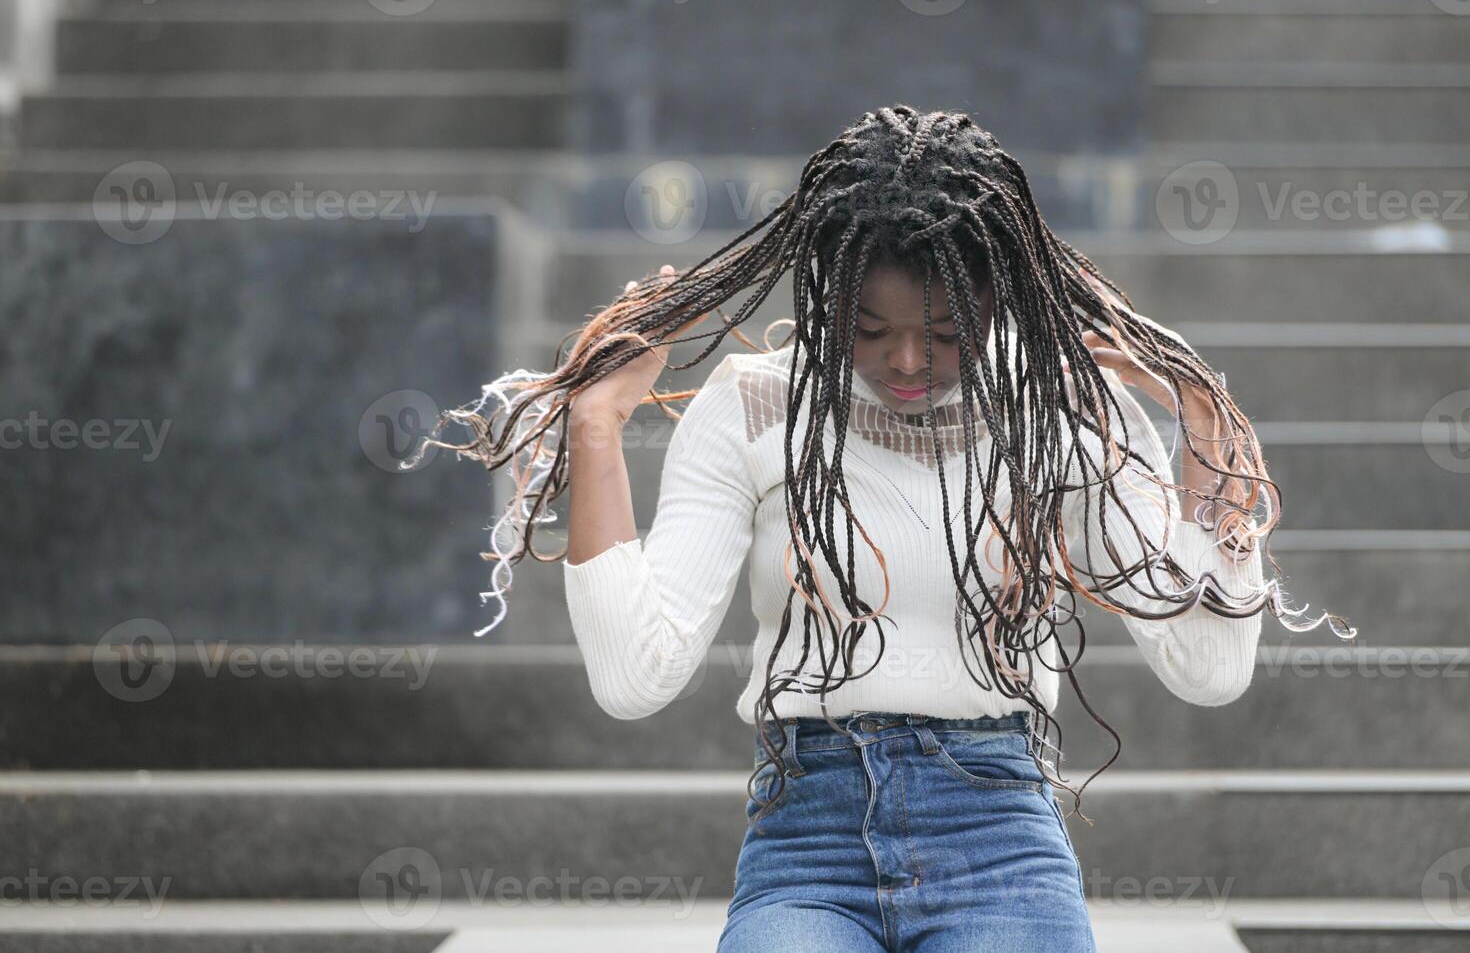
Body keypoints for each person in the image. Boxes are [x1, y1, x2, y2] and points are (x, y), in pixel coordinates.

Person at [424, 105, 1353, 952]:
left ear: (1002, 299)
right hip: (805, 842)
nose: (908, 362)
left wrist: (1205, 430)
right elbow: (636, 677)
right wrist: (595, 429)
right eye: (868, 333)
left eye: (948, 334)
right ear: (824, 302)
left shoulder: (1068, 409)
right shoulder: (755, 407)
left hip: (1001, 835)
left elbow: (1210, 668)